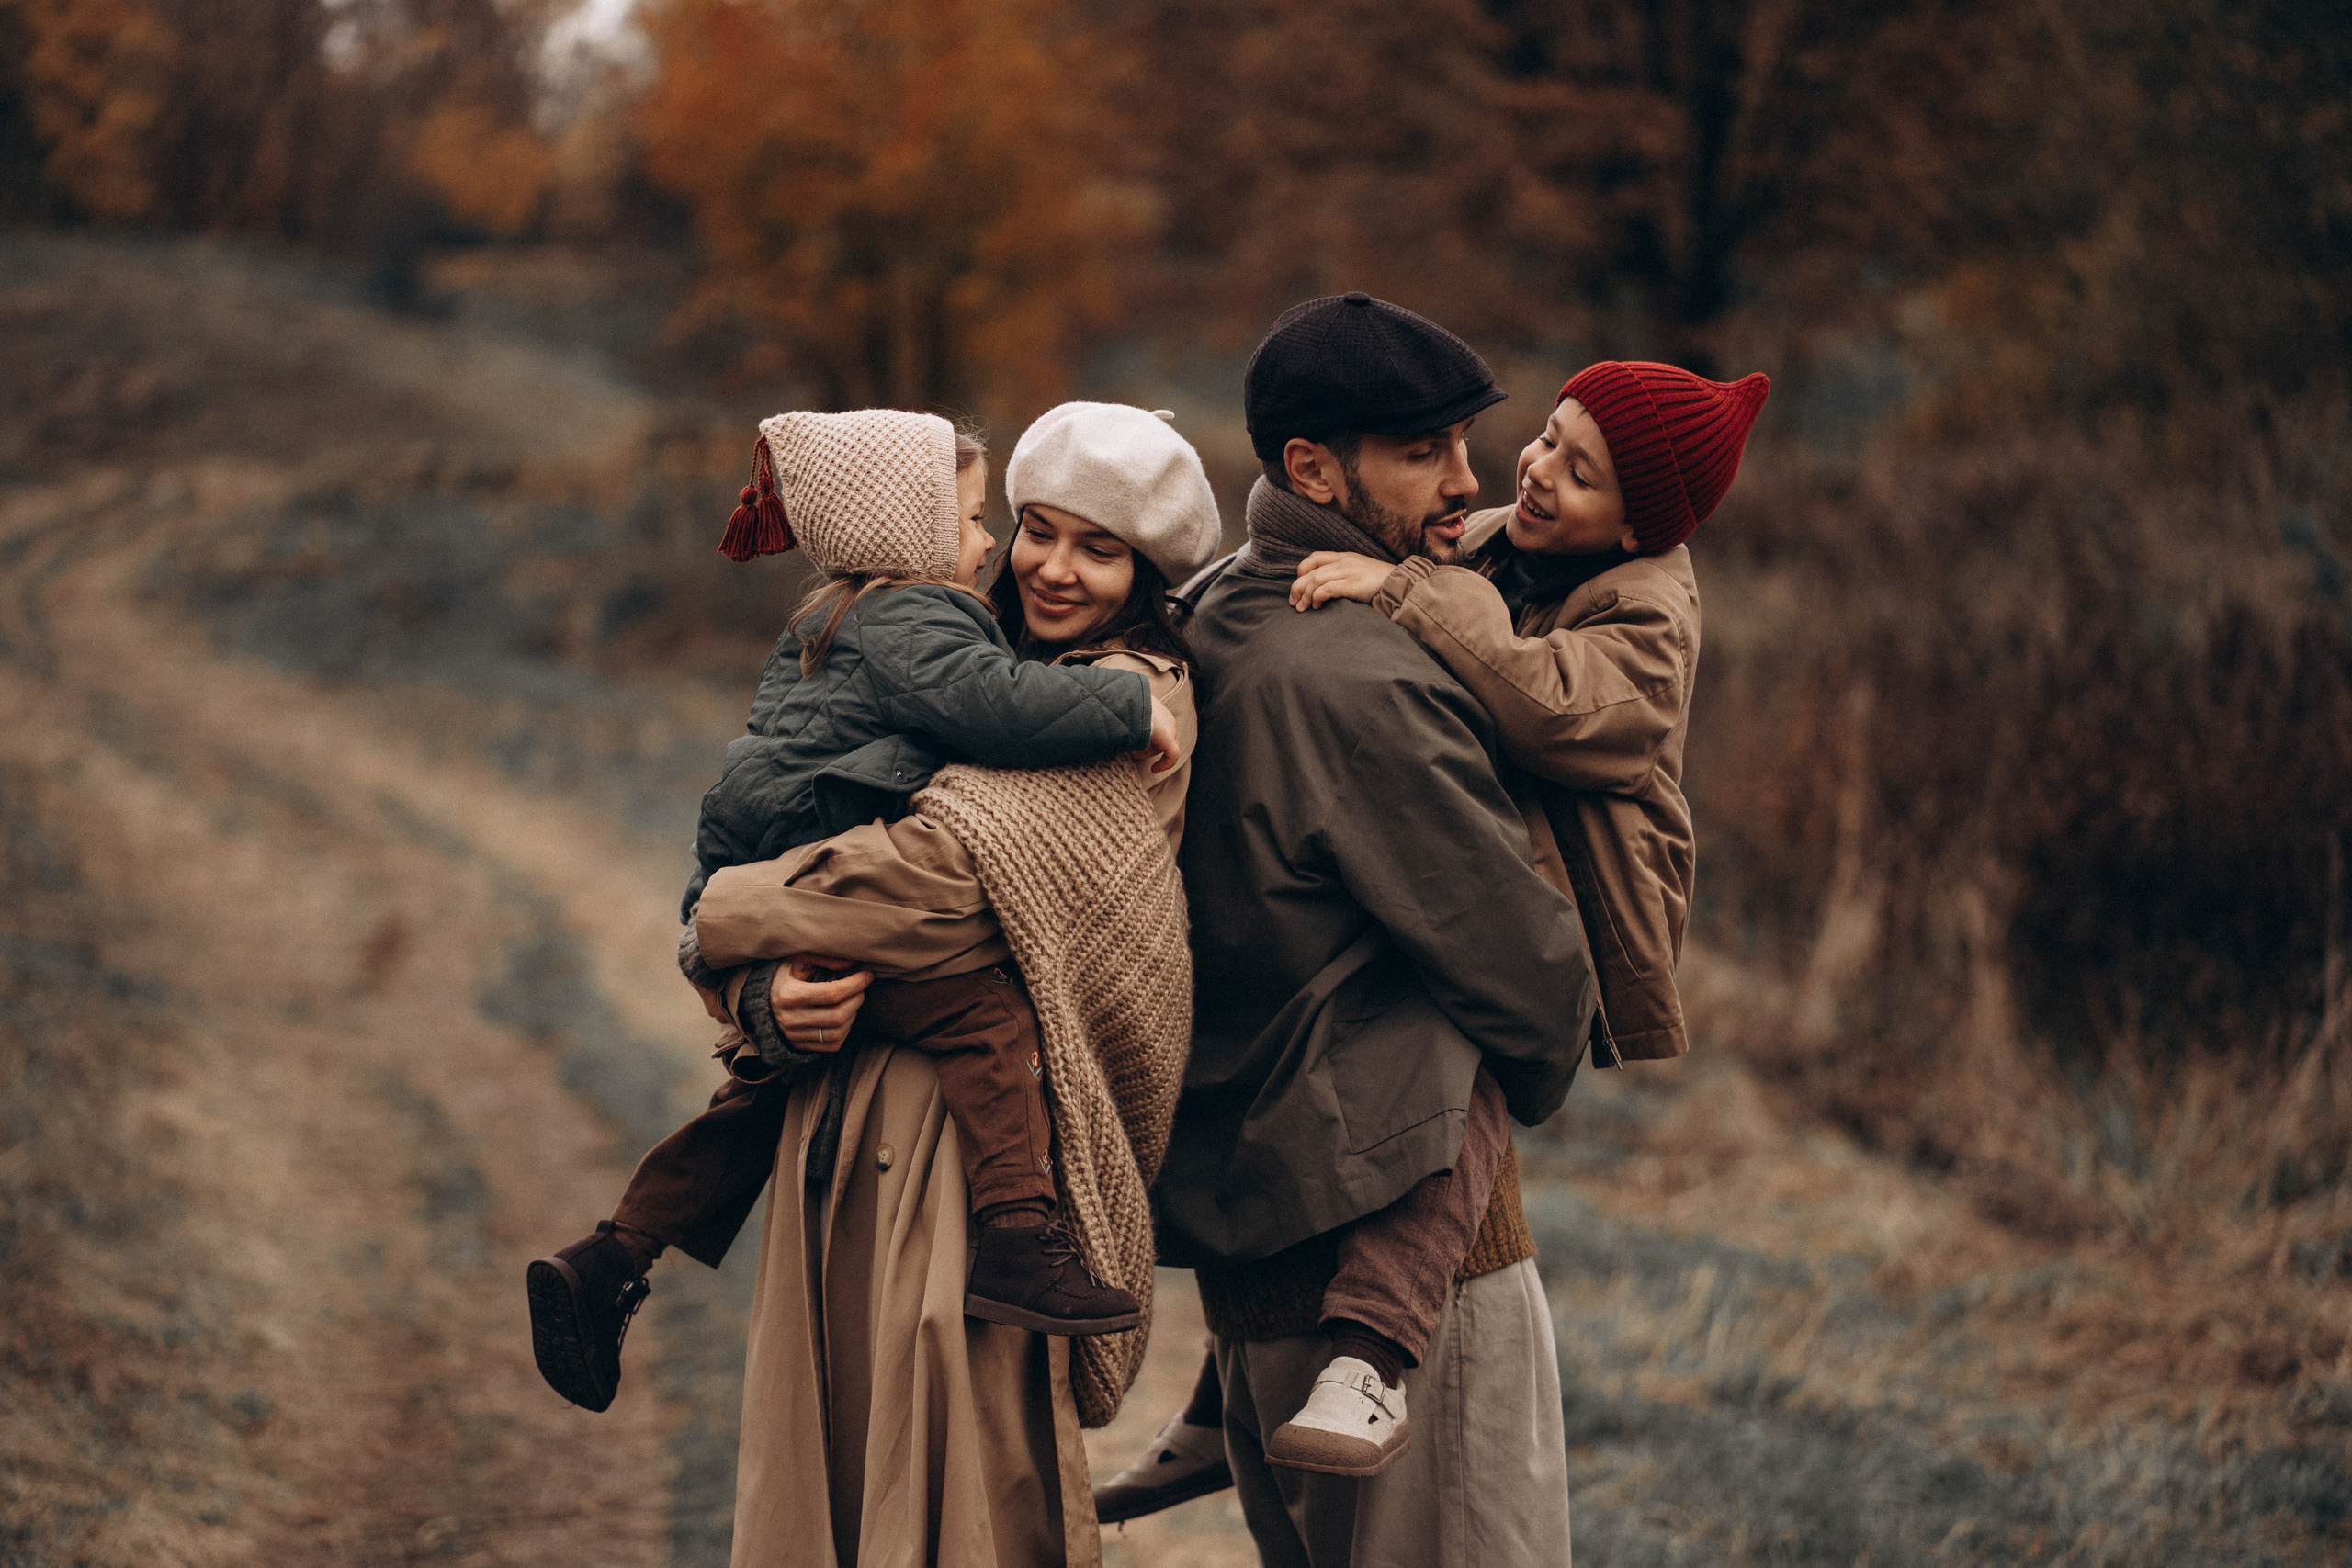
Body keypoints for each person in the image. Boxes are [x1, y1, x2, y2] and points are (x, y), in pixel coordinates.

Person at [526, 408, 1193, 1419]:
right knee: (980, 1021)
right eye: (1024, 529)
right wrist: (747, 973)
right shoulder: (951, 643)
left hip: (905, 1146)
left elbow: (938, 886)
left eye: (1098, 550)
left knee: (755, 1115)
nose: (1041, 565)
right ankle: (1021, 1234)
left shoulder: (1103, 673)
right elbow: (912, 864)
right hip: (865, 1132)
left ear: (1147, 573)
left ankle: (618, 1248)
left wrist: (727, 929)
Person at [1129, 292, 1598, 1565]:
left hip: (1261, 1291)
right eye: (1422, 452)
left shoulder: (1207, 617)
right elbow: (1542, 994)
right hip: (1404, 1280)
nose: (1469, 479)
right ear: (1310, 468)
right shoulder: (1359, 673)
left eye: (1464, 442)